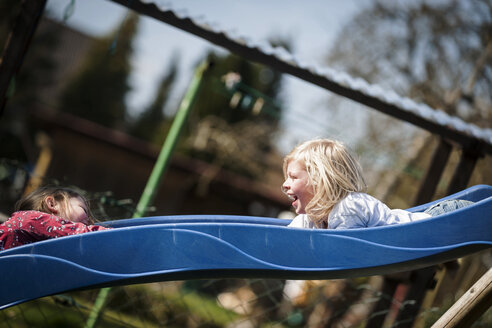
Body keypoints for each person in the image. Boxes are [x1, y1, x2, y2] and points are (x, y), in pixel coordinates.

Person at [282, 138, 473, 229]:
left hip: (443, 219)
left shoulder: (348, 208)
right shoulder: (313, 218)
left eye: (293, 177)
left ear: (319, 179)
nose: (285, 184)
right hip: (431, 226)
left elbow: (342, 252)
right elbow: (287, 239)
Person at [0, 186, 110, 251]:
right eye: (83, 209)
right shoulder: (33, 219)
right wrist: (116, 234)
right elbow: (80, 233)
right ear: (52, 204)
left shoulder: (36, 236)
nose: (91, 221)